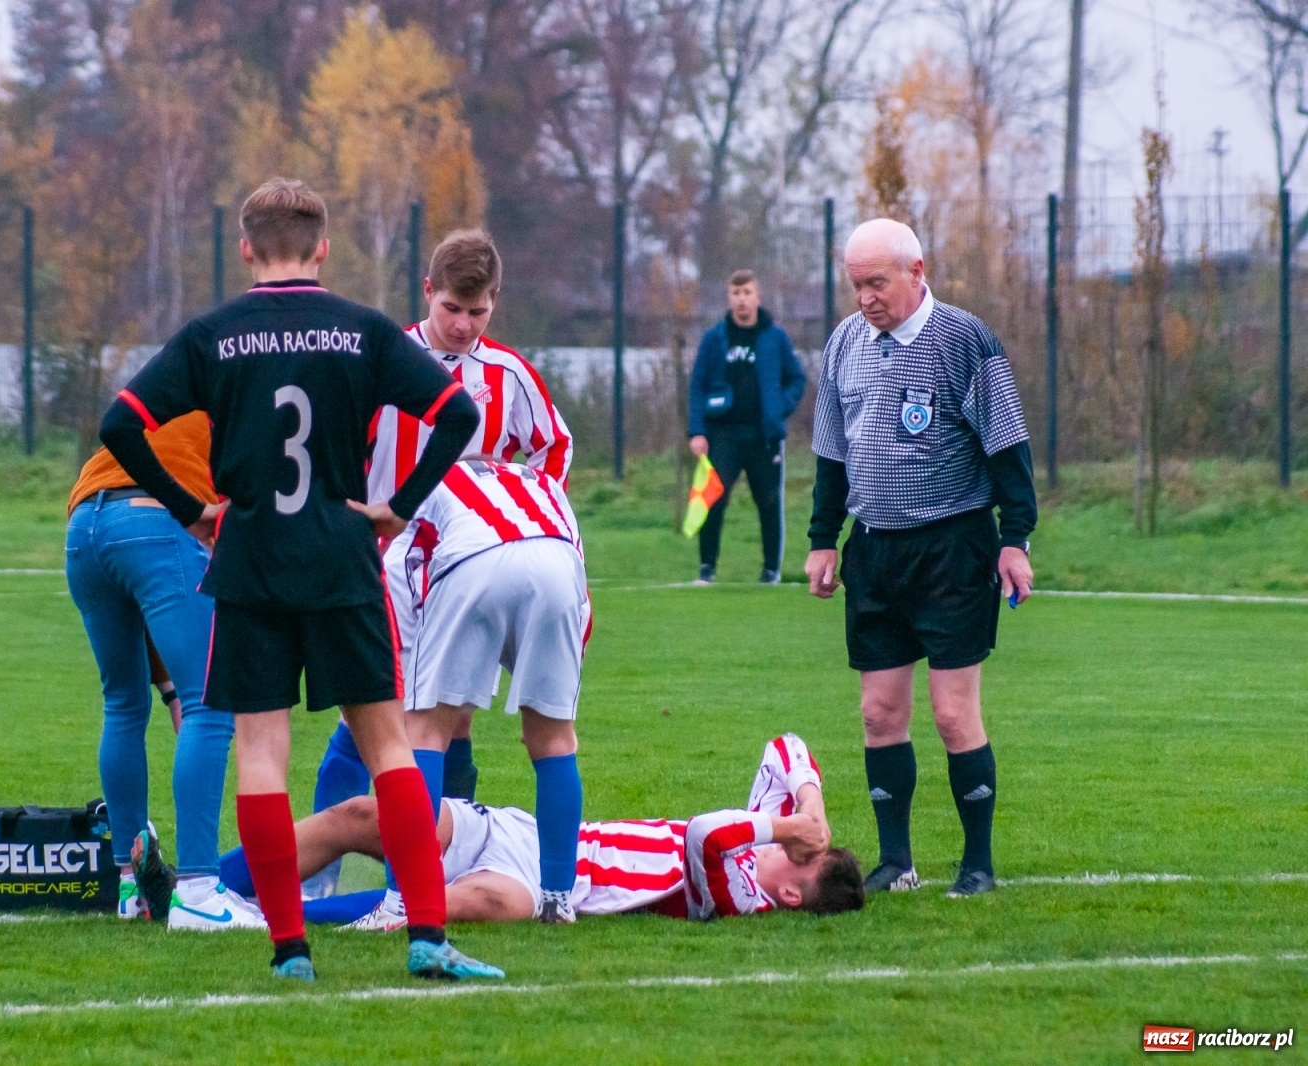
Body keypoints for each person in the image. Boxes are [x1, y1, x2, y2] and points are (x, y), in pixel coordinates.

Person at [99, 177, 501, 983]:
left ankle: (290, 951)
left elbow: (120, 425)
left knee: (260, 753)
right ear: (322, 248)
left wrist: (191, 510)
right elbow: (458, 414)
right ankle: (426, 937)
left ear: (246, 247)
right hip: (343, 557)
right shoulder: (362, 331)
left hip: (248, 559)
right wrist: (396, 508)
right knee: (389, 746)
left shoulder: (212, 335)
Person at [309, 229, 573, 890]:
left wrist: (520, 505)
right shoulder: (386, 361)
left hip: (468, 567)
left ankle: (430, 880)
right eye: (452, 308)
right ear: (428, 292)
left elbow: (553, 451)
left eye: (477, 311)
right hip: (387, 567)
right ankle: (316, 877)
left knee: (450, 718)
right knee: (367, 715)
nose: (462, 324)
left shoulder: (508, 375)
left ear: (495, 304)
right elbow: (339, 449)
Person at [804, 218, 1037, 900]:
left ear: (917, 270)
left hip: (952, 548)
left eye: (876, 282)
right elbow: (831, 454)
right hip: (874, 550)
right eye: (855, 285)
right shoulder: (845, 343)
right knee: (879, 713)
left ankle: (978, 865)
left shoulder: (965, 342)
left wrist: (1014, 540)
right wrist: (824, 538)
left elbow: (1008, 452)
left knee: (952, 713)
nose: (865, 298)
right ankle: (896, 862)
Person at [219, 732, 864, 922]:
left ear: (790, 892)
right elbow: (786, 745)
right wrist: (810, 805)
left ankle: (265, 918)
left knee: (430, 906)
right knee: (362, 816)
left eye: (812, 853)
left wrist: (782, 831)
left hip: (546, 887)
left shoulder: (741, 896)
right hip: (532, 832)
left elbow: (705, 835)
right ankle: (207, 885)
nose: (807, 841)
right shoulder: (772, 834)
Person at [345, 457, 588, 931]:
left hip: (473, 560)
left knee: (424, 732)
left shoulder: (431, 478)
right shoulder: (541, 482)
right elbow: (578, 576)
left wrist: (408, 662)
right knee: (556, 740)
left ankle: (402, 899)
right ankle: (559, 899)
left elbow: (398, 569)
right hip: (559, 567)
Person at [64, 413, 260, 931]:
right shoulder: (244, 396)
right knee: (211, 705)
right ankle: (198, 890)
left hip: (83, 525)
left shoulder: (170, 394)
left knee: (123, 705)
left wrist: (170, 684)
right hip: (155, 518)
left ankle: (130, 888)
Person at [687, 269, 807, 585]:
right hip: (722, 434)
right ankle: (707, 569)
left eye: (748, 293)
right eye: (736, 294)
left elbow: (796, 379)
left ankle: (771, 572)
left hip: (763, 435)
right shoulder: (715, 339)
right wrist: (697, 431)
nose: (742, 300)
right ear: (729, 298)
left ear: (757, 297)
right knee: (713, 498)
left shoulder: (774, 337)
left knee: (769, 501)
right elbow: (697, 385)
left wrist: (780, 408)